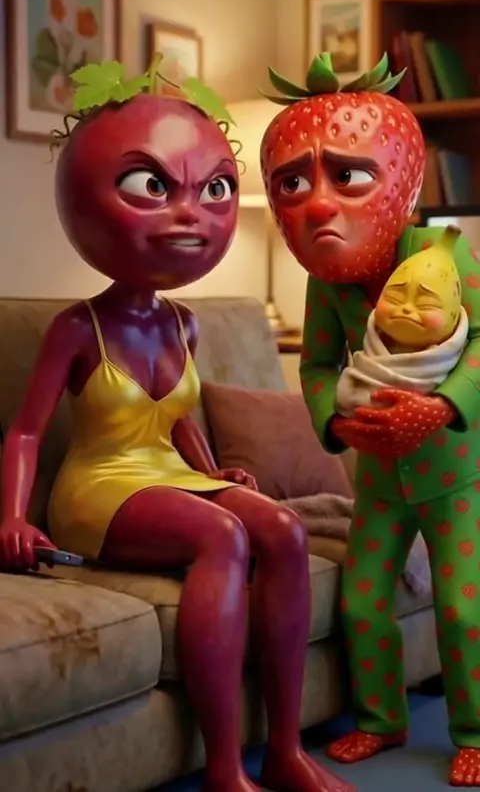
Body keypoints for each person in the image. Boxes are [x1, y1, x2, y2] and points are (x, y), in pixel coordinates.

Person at [0, 58, 353, 792]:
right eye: (155, 186)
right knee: (221, 535)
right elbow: (27, 432)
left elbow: (180, 413)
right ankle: (225, 769)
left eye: (212, 190)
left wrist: (209, 468)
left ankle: (286, 751)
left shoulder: (185, 324)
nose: (190, 213)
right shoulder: (77, 328)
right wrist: (12, 516)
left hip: (171, 478)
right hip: (100, 489)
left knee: (284, 530)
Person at [260, 51, 480, 787]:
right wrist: (335, 423)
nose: (319, 205)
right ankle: (382, 721)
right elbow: (318, 365)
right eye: (294, 183)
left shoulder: (444, 254)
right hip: (379, 480)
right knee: (361, 602)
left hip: (455, 476)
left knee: (463, 609)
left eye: (347, 176)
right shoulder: (326, 284)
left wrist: (443, 406)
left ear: (402, 181)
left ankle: (474, 731)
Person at [335, 223, 469, 418]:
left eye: (426, 304)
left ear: (454, 316)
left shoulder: (459, 255)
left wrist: (439, 408)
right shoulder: (327, 265)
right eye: (395, 298)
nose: (406, 308)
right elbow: (317, 366)